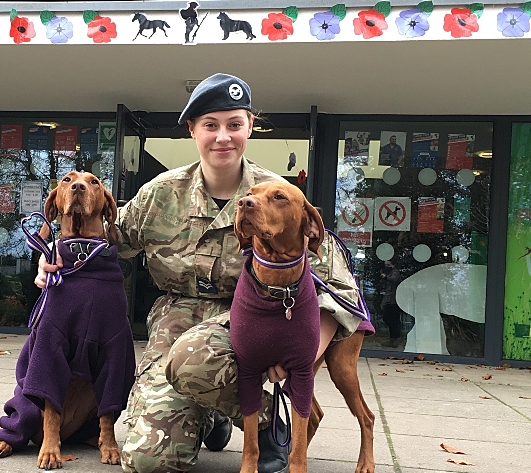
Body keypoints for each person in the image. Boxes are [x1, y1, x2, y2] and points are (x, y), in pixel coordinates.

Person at [37, 73, 367, 473]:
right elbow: (106, 238)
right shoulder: (162, 192)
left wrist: (301, 355)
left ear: (249, 128)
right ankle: (216, 415)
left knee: (194, 360)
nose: (222, 137)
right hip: (175, 316)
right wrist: (55, 255)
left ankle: (265, 426)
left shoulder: (279, 196)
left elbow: (339, 291)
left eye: (234, 124)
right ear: (193, 130)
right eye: (210, 125)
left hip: (249, 317)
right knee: (148, 459)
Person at [380, 259, 403, 347]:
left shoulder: (395, 273)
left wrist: (385, 277)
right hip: (390, 300)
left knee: (393, 320)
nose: (386, 266)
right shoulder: (391, 273)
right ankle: (393, 338)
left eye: (388, 264)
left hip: (393, 301)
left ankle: (396, 338)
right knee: (389, 319)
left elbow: (393, 279)